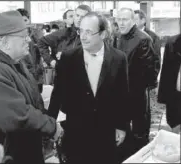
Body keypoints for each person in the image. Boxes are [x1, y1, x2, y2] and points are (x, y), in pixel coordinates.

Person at [48, 12, 130, 164]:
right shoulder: (68, 58)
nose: (83, 37)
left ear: (103, 34)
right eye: (81, 31)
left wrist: (122, 126)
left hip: (106, 128)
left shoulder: (118, 58)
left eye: (89, 32)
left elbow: (122, 95)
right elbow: (57, 93)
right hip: (76, 130)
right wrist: (51, 124)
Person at [0, 10, 62, 163]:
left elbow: (33, 103)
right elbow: (17, 115)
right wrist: (52, 127)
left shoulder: (14, 63)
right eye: (23, 36)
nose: (29, 39)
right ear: (5, 41)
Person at [116, 8, 160, 158]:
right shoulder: (117, 37)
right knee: (122, 127)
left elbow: (151, 68)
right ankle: (127, 155)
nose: (121, 23)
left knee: (140, 129)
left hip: (137, 92)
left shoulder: (143, 39)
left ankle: (141, 156)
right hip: (120, 91)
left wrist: (145, 88)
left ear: (133, 20)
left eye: (125, 19)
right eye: (119, 19)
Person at [37, 4, 92, 69]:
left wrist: (66, 55)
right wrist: (50, 61)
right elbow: (41, 42)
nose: (79, 19)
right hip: (62, 75)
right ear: (74, 16)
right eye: (77, 15)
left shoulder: (93, 36)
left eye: (83, 17)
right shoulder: (63, 33)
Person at [17, 8, 44, 93]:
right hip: (24, 73)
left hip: (37, 73)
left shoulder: (36, 34)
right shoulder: (16, 37)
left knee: (38, 96)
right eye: (21, 20)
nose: (24, 23)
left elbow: (42, 50)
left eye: (25, 20)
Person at [158, 34, 181, 133]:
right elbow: (166, 71)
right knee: (174, 125)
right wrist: (163, 97)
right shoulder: (172, 42)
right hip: (175, 95)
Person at [134, 9, 161, 87]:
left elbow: (156, 60)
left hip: (145, 81)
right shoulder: (127, 37)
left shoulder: (153, 37)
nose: (132, 22)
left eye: (135, 19)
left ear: (143, 20)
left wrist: (152, 81)